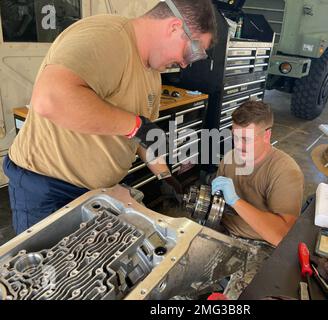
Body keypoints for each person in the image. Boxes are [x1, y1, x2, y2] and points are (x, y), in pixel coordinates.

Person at [3, 0, 217, 235]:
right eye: (191, 52)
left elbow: (140, 138)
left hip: (95, 192)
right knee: (49, 269)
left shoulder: (152, 77)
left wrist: (166, 177)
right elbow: (50, 99)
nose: (186, 64)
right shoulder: (109, 37)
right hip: (48, 188)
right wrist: (135, 125)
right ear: (175, 27)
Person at [212, 101, 304, 299]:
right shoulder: (230, 158)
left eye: (246, 139)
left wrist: (235, 200)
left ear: (267, 135)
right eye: (235, 137)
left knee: (244, 297)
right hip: (224, 233)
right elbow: (217, 204)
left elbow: (282, 235)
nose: (239, 146)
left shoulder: (285, 170)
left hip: (260, 245)